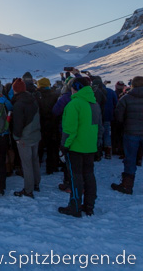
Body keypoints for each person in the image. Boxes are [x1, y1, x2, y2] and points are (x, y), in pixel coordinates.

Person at [58, 77, 102, 217]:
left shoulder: (74, 104)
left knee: (75, 177)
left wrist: (64, 146)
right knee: (89, 175)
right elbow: (99, 127)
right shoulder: (94, 103)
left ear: (75, 87)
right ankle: (89, 205)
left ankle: (74, 206)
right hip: (90, 146)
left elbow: (70, 129)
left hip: (76, 147)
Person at [111, 76, 143, 194]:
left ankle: (127, 185)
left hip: (131, 132)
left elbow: (118, 116)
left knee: (130, 159)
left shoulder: (126, 99)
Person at [11, 78, 41, 198]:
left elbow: (18, 123)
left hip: (25, 137)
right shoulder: (33, 100)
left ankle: (28, 189)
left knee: (27, 163)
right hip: (35, 134)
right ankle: (36, 183)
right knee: (34, 160)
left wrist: (16, 136)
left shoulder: (19, 104)